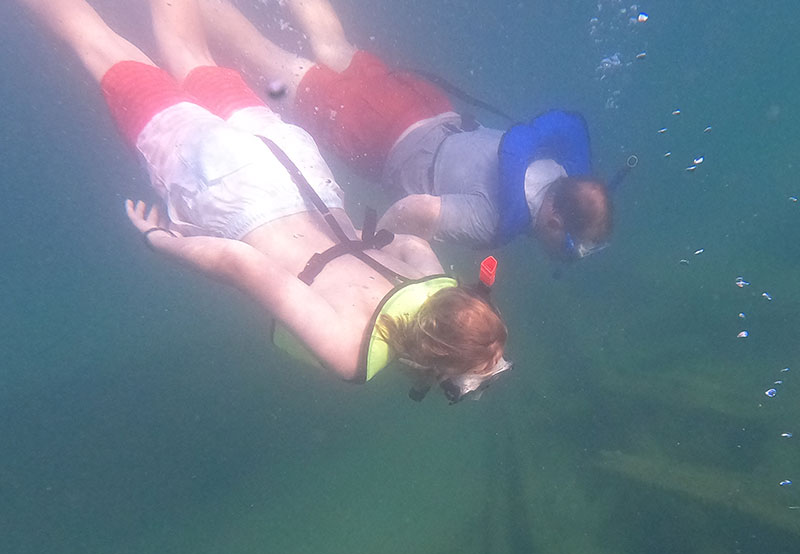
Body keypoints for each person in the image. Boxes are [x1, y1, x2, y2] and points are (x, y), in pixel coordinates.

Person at [18, 0, 511, 403]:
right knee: (98, 45)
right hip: (230, 186)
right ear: (437, 359)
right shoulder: (349, 348)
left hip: (295, 164)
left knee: (194, 56)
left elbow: (409, 221)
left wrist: (373, 238)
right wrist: (159, 241)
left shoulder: (435, 279)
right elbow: (242, 264)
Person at [199, 0, 614, 261]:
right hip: (377, 132)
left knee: (332, 46)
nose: (574, 254)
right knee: (263, 56)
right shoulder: (493, 223)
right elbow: (418, 209)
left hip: (426, 104)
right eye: (579, 246)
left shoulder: (558, 168)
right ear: (556, 218)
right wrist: (378, 243)